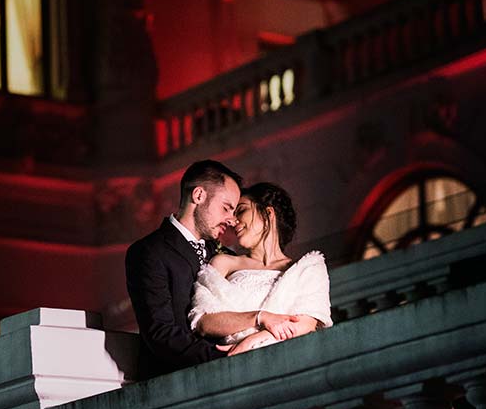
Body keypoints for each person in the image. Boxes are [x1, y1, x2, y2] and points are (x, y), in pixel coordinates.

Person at [125, 159, 242, 375]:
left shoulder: (227, 256)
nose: (232, 220)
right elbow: (160, 333)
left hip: (232, 375)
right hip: (174, 381)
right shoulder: (149, 251)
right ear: (198, 195)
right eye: (226, 208)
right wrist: (224, 355)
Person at [189, 182, 332, 357]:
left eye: (241, 211)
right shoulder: (223, 263)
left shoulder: (308, 268)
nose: (233, 221)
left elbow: (304, 325)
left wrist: (250, 342)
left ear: (267, 213)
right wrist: (261, 317)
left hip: (288, 359)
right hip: (231, 364)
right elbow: (203, 321)